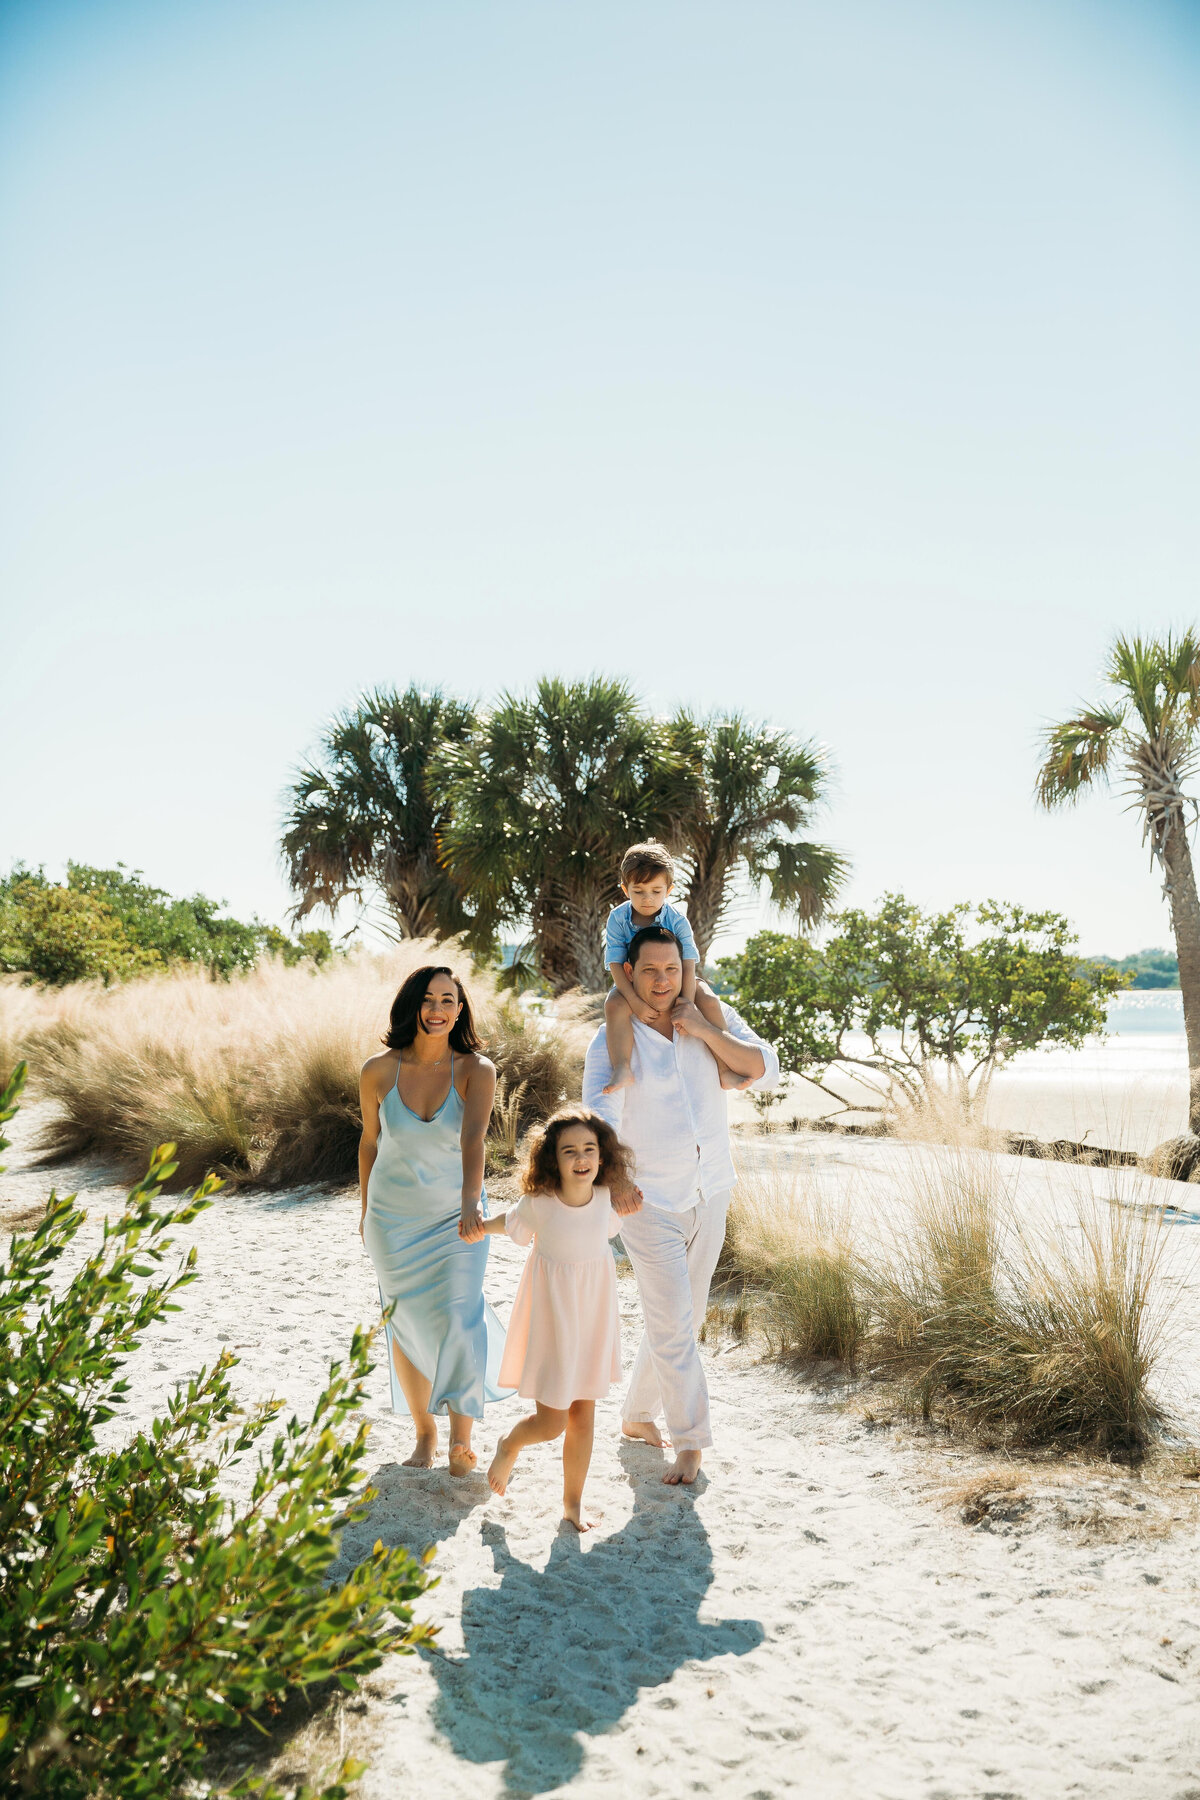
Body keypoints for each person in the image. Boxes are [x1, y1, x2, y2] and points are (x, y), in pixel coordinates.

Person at [584, 925, 780, 1485]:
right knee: (672, 1324)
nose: (662, 981)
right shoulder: (613, 1038)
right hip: (646, 1201)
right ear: (629, 972)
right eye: (650, 970)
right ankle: (690, 1440)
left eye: (672, 969)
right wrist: (616, 1181)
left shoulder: (705, 1014)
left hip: (711, 1188)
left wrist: (702, 1029)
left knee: (684, 1318)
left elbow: (764, 1066)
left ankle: (637, 1413)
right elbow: (600, 1115)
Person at [359, 965, 509, 1475]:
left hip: (456, 1216)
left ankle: (460, 1438)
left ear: (460, 1008)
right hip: (392, 1220)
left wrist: (472, 1202)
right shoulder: (378, 1071)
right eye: (428, 1000)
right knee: (404, 1324)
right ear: (412, 1006)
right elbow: (369, 1143)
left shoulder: (476, 1070)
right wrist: (365, 1212)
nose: (438, 1010)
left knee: (460, 1313)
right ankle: (424, 1432)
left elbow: (473, 1140)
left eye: (448, 1000)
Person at [481, 1108, 641, 1531]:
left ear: (602, 1157)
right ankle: (510, 1443)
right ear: (554, 1159)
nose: (581, 1158)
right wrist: (479, 1227)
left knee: (583, 1416)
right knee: (551, 1423)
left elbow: (618, 1218)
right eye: (569, 1150)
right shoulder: (541, 1203)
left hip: (591, 1318)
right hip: (553, 1320)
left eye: (589, 1149)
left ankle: (573, 1504)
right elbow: (511, 1224)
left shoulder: (608, 1199)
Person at [602, 841, 749, 1094]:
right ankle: (622, 1067)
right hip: (634, 983)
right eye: (639, 891)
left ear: (668, 890)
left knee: (710, 1000)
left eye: (656, 891)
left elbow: (688, 965)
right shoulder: (617, 918)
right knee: (613, 1004)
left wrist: (688, 1004)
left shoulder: (677, 920)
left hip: (677, 979)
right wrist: (634, 1001)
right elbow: (615, 963)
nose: (647, 899)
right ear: (626, 890)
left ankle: (724, 1069)